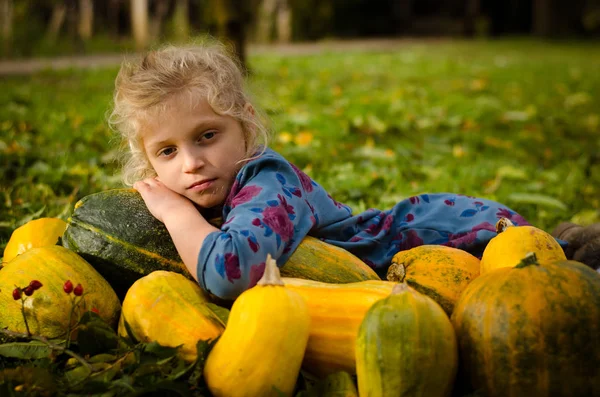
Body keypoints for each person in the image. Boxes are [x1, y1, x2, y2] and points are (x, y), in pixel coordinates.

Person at [109, 40, 598, 301]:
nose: (191, 162)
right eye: (167, 152)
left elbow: (229, 274)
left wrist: (175, 214)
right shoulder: (208, 194)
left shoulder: (266, 181)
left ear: (246, 125)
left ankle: (570, 243)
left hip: (448, 237)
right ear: (147, 160)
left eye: (207, 136)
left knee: (558, 278)